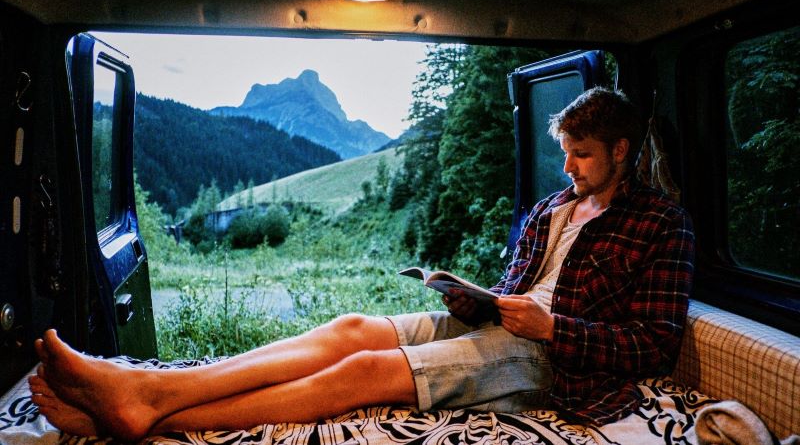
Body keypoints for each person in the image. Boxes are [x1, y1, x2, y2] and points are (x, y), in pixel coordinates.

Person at [28, 87, 695, 442]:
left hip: (556, 362)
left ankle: (151, 407)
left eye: (581, 154)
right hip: (504, 328)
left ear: (620, 149)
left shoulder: (660, 225)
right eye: (565, 153)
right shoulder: (553, 208)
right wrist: (472, 298)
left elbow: (655, 343)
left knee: (366, 370)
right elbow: (515, 290)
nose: (568, 167)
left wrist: (554, 330)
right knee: (349, 327)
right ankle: (147, 393)